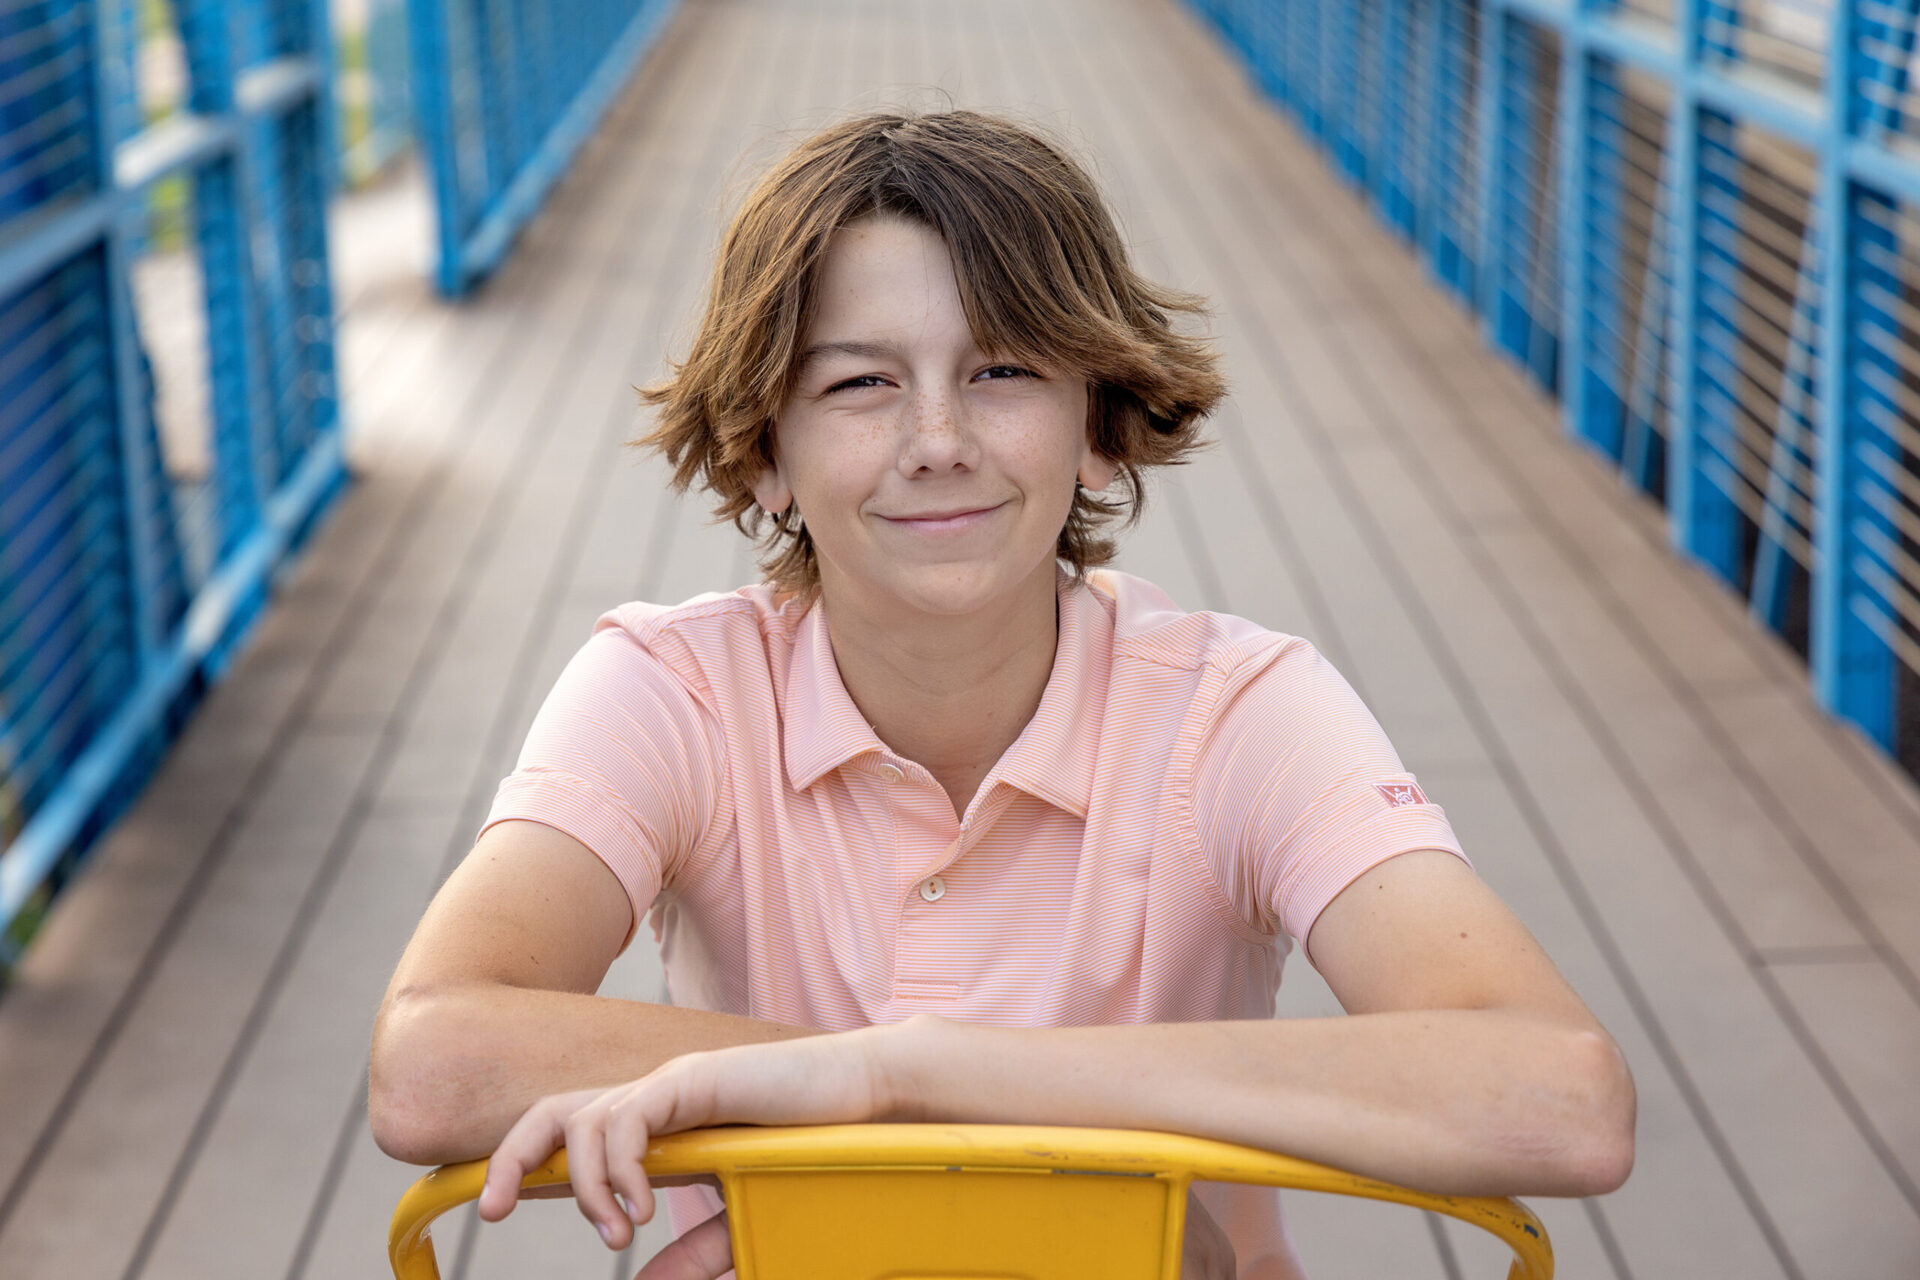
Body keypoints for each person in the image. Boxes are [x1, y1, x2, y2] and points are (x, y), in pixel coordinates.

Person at [369, 110, 1635, 1280]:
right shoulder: (678, 693)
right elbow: (433, 1059)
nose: (938, 438)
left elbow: (1559, 1092)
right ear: (765, 454)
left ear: (1098, 423)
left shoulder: (1236, 710)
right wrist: (892, 1092)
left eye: (1005, 369)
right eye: (862, 382)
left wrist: (910, 1077)